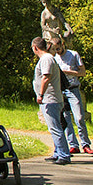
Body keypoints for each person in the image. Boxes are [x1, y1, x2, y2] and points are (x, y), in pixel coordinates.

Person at [51, 35, 93, 154]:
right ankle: (73, 145)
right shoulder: (54, 58)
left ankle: (85, 144)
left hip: (73, 89)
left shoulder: (73, 54)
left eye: (58, 49)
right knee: (66, 118)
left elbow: (82, 72)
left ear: (62, 45)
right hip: (61, 91)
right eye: (55, 50)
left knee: (79, 117)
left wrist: (67, 72)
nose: (57, 52)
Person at [32, 36, 70, 164]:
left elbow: (46, 77)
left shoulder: (46, 59)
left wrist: (40, 94)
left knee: (56, 128)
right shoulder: (47, 58)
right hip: (50, 99)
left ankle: (64, 155)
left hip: (51, 99)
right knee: (54, 127)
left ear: (35, 47)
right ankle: (57, 152)